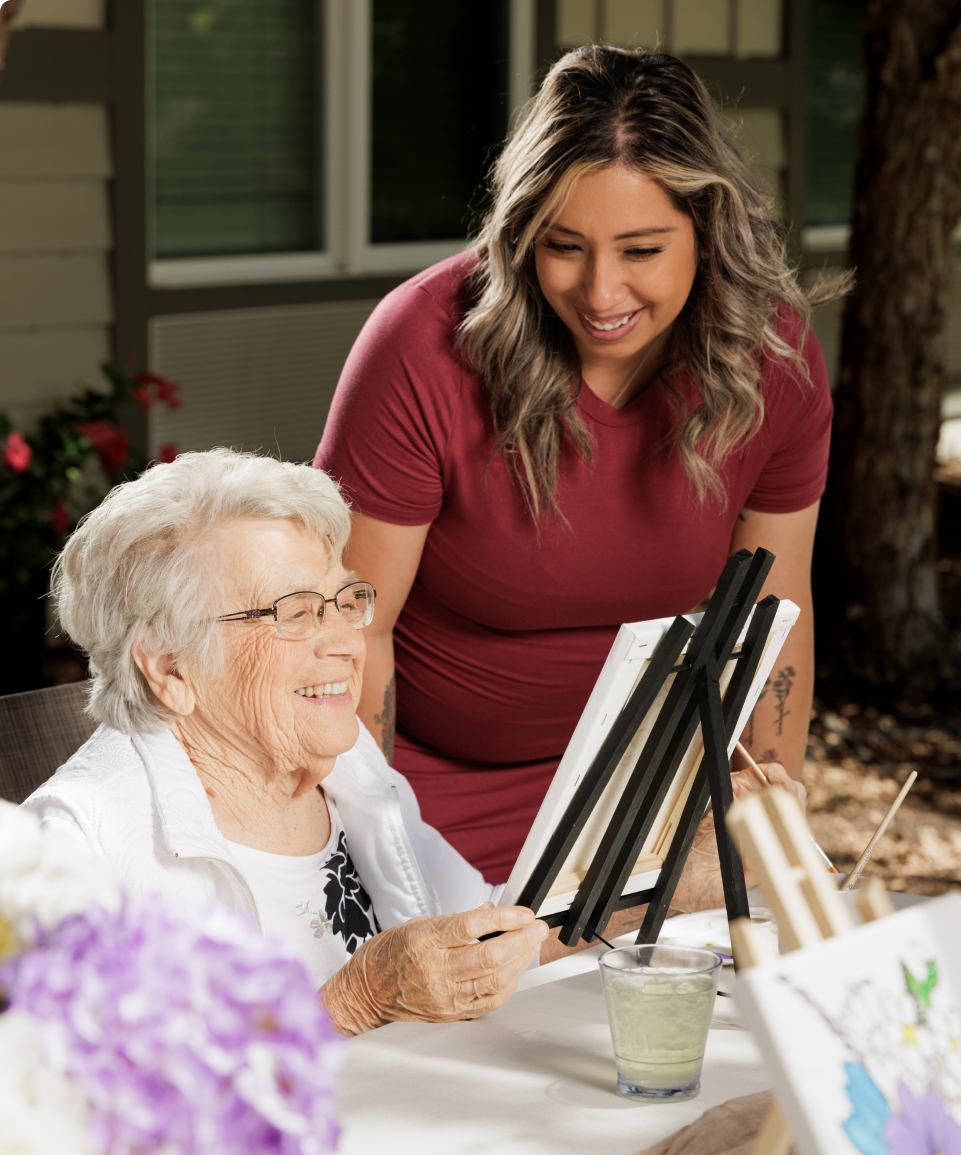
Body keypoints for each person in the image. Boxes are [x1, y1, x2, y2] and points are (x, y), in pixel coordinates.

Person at [316, 46, 832, 883]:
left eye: (640, 251)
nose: (600, 292)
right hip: (424, 787)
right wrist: (373, 842)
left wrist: (772, 809)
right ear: (521, 233)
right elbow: (353, 628)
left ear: (708, 229)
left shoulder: (773, 360)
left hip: (646, 792)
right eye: (564, 246)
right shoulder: (418, 345)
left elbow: (778, 614)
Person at [20, 450, 548, 1035]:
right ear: (171, 669)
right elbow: (88, 1110)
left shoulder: (342, 764)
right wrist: (356, 1001)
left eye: (347, 602)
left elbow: (492, 934)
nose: (349, 644)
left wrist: (657, 891)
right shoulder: (72, 850)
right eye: (296, 613)